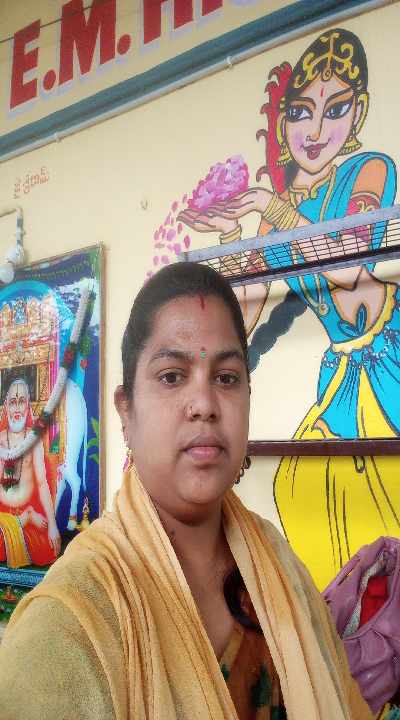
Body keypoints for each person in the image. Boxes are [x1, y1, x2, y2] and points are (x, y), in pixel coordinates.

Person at [0, 263, 371, 719]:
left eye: (226, 377)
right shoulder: (66, 624)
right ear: (126, 412)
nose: (205, 404)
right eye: (172, 376)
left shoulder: (278, 563)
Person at [178, 28, 399, 591]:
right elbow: (239, 326)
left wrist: (269, 207)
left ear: (359, 112)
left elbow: (350, 269)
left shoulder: (368, 172)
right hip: (344, 375)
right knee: (297, 486)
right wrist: (228, 243)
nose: (316, 130)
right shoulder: (284, 210)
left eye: (335, 109)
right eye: (301, 112)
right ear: (283, 124)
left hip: (389, 363)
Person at [0, 378, 61, 568]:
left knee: (46, 549)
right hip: (2, 519)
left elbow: (42, 483)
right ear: (6, 406)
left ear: (27, 406)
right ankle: (21, 520)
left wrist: (52, 526)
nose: (17, 408)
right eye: (13, 402)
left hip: (28, 517)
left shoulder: (34, 440)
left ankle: (23, 520)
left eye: (21, 401)